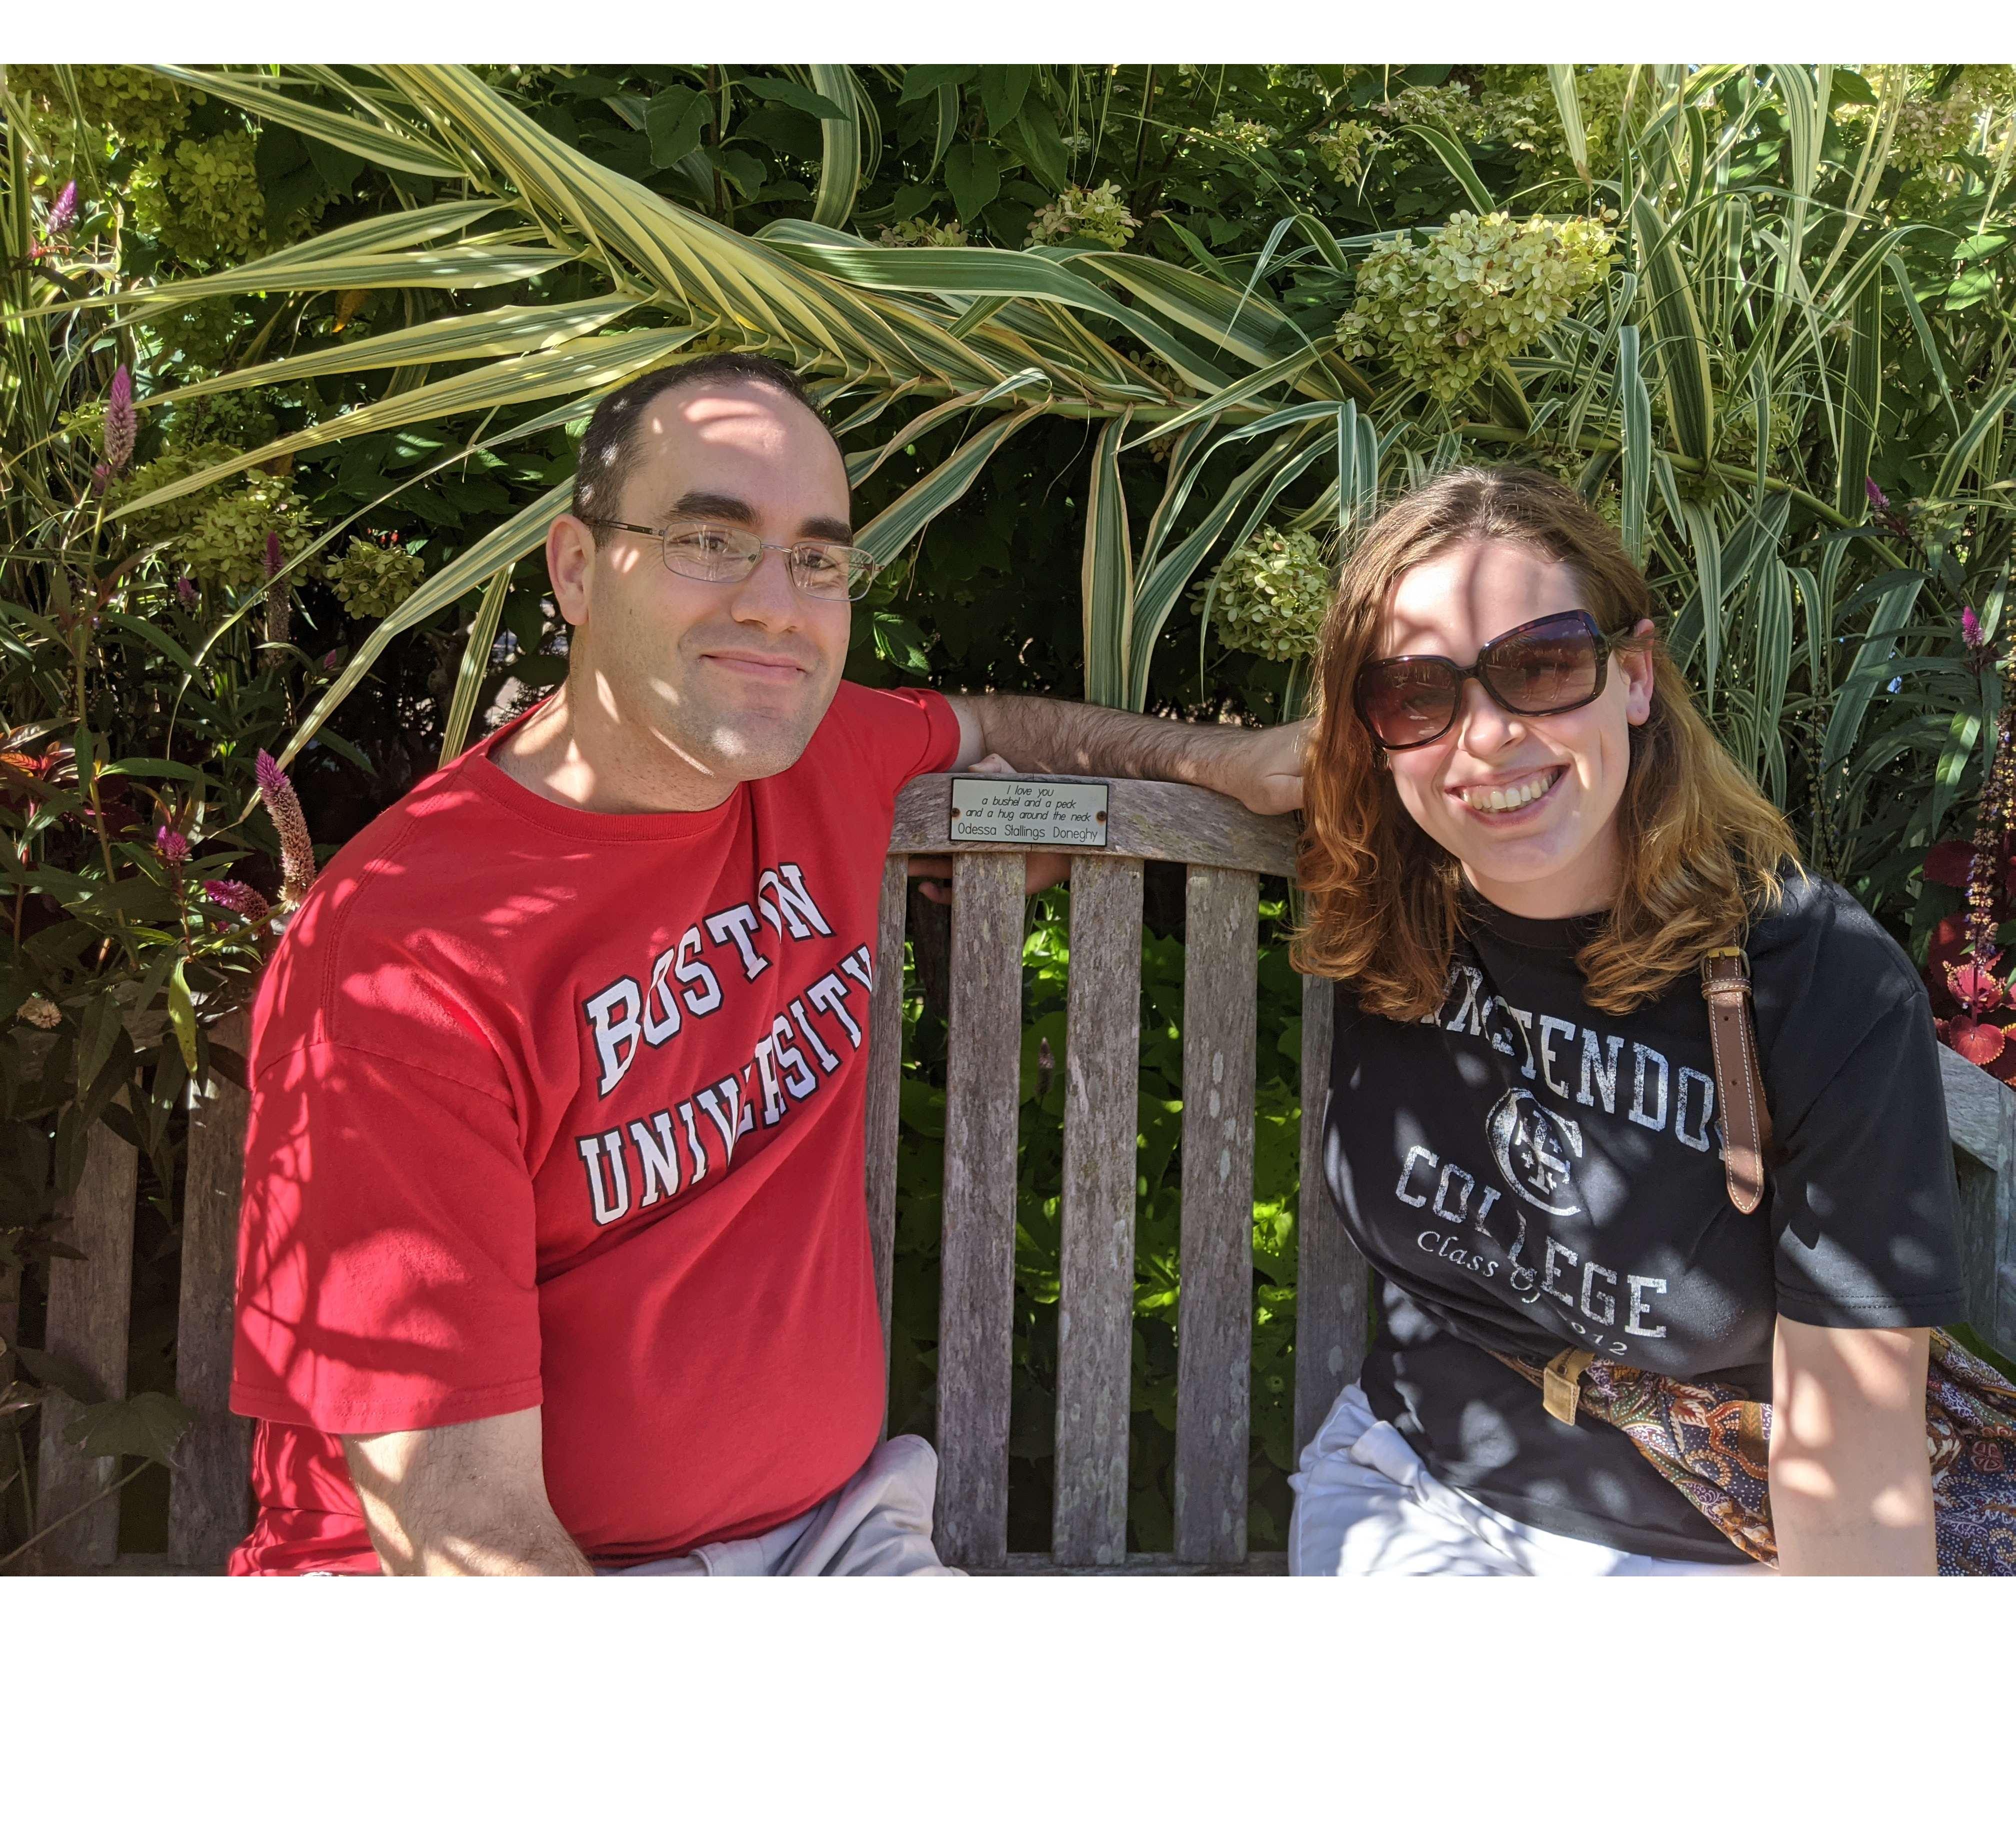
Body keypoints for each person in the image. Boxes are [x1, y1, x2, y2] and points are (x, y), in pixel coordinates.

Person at [228, 352, 1306, 1575]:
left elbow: (1001, 724)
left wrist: (1221, 763)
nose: (777, 605)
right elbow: (468, 1545)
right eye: (710, 540)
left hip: (834, 1540)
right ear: (578, 571)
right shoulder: (404, 960)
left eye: (818, 558)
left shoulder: (815, 752)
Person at [1288, 465, 1964, 1576]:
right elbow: (1265, 763)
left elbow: (1851, 1458)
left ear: (1635, 675)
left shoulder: (1816, 980)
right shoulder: (1395, 901)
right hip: (1413, 1492)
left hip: (1703, 1550)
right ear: (1377, 732)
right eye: (1418, 694)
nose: (1488, 735)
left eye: (1543, 666)